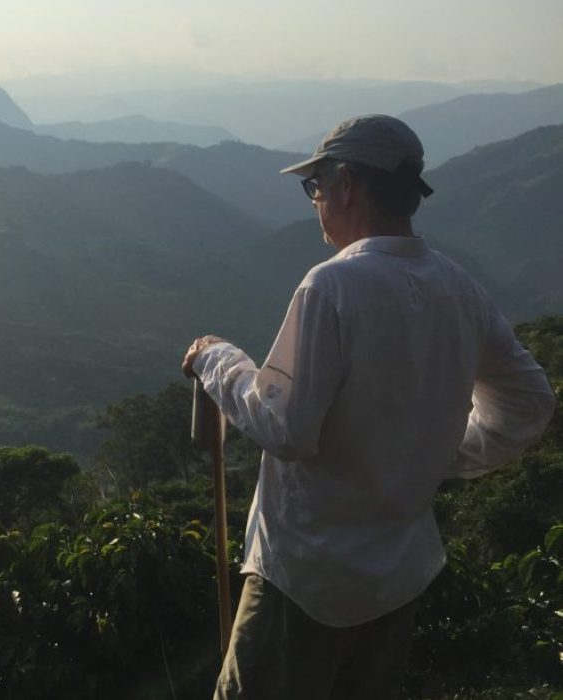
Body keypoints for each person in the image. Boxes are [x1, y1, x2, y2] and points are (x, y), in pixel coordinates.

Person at [181, 114, 556, 699]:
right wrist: (428, 453)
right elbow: (529, 403)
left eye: (317, 187)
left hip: (306, 580)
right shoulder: (458, 286)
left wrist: (215, 360)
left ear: (349, 185)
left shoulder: (331, 286)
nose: (317, 201)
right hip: (396, 581)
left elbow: (285, 427)